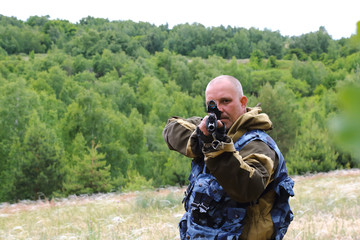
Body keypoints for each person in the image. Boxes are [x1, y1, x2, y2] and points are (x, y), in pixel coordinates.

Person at [162, 75, 294, 240]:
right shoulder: (209, 129)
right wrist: (200, 141)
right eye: (212, 104)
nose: (219, 109)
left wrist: (215, 148)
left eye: (226, 101)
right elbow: (171, 128)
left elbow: (247, 188)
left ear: (243, 102)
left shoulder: (259, 146)